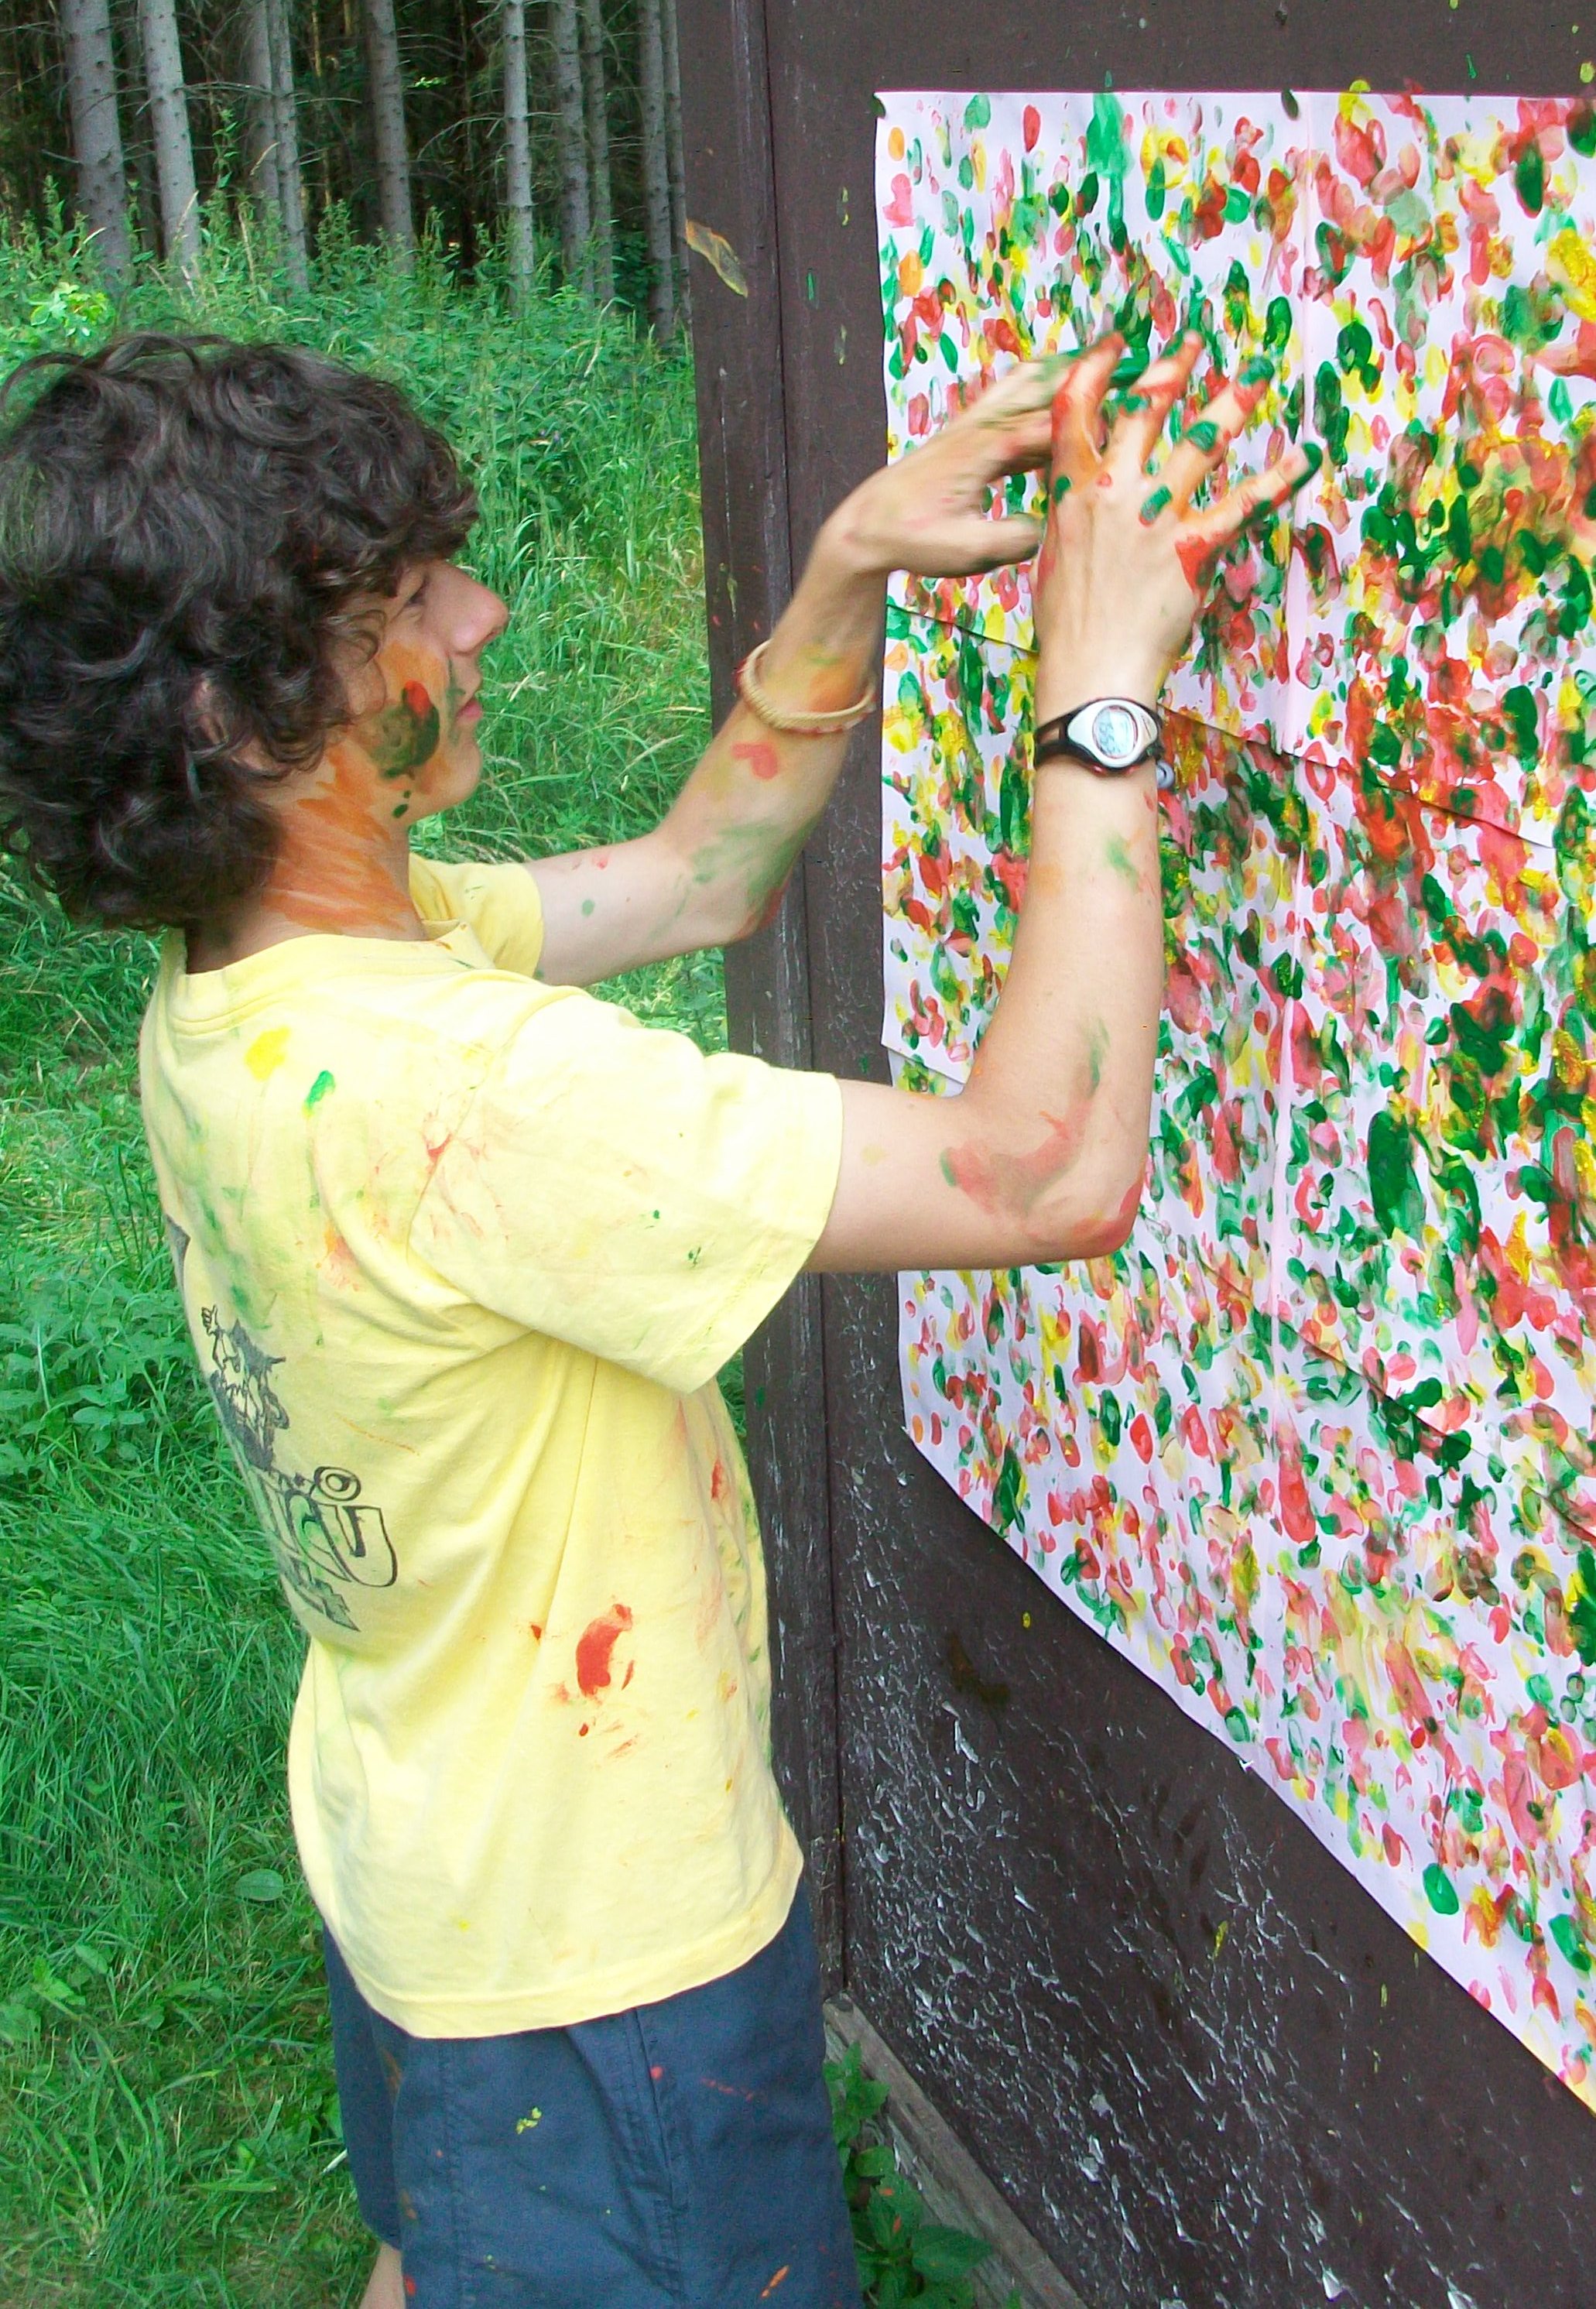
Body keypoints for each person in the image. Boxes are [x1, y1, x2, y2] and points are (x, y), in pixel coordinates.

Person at [0, 327, 1310, 2309]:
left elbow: (699, 877)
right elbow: (1042, 1171)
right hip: (600, 1968)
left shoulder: (271, 987)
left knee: (447, 2244)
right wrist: (1096, 704)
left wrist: (843, 572)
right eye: (405, 602)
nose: (480, 614)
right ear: (240, 717)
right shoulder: (464, 1093)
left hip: (428, 1861)